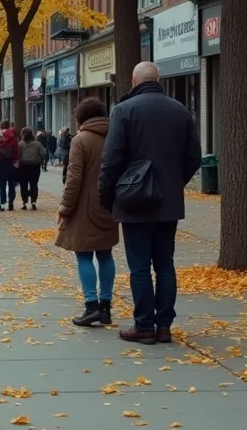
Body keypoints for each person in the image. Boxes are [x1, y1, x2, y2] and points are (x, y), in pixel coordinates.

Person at [99, 62, 202, 345]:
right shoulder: (180, 110)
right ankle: (164, 325)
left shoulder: (123, 111)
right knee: (165, 264)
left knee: (140, 266)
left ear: (134, 81)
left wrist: (107, 198)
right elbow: (194, 156)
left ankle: (144, 325)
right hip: (168, 203)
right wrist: (173, 183)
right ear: (159, 80)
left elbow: (111, 161)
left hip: (134, 202)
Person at [57, 98, 117, 327]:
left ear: (81, 117)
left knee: (83, 254)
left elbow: (74, 178)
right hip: (108, 204)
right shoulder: (114, 136)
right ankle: (105, 307)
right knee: (105, 253)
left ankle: (91, 305)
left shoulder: (80, 140)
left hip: (83, 206)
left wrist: (65, 207)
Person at [17, 127, 47, 209]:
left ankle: (25, 202)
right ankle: (33, 201)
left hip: (23, 166)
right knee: (34, 184)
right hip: (34, 166)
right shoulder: (38, 144)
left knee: (23, 184)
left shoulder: (20, 144)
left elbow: (17, 155)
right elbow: (43, 154)